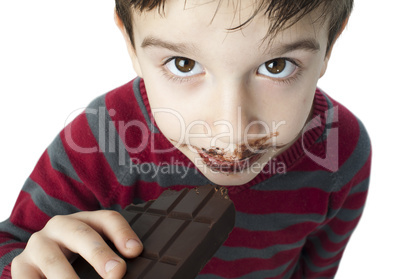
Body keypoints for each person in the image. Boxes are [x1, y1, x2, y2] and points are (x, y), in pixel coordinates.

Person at [0, 0, 372, 278]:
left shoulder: (342, 152)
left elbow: (317, 270)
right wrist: (25, 267)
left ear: (330, 47)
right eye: (183, 64)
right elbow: (11, 245)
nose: (230, 128)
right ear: (131, 44)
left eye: (276, 66)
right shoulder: (103, 140)